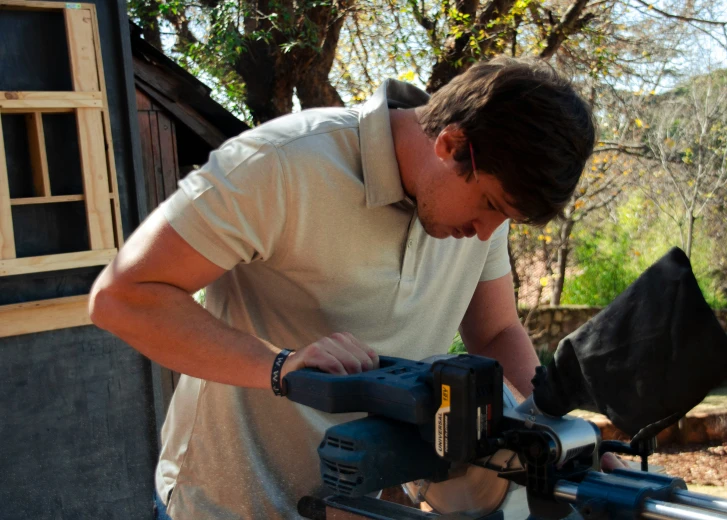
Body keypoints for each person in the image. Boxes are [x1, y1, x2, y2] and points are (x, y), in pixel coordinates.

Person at [89, 56, 595, 519]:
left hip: (355, 505)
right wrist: (279, 365)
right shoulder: (279, 163)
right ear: (451, 145)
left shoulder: (482, 189)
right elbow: (123, 296)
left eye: (505, 218)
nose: (487, 232)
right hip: (224, 504)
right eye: (490, 206)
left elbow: (497, 331)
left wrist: (557, 439)